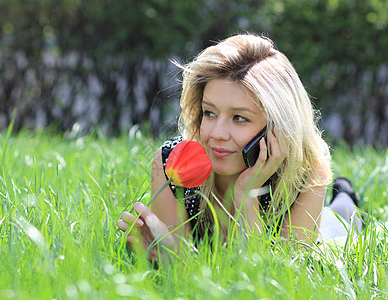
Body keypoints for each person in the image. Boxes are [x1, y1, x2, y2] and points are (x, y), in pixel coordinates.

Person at [117, 33, 363, 261]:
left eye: (239, 118)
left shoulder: (308, 176)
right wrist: (168, 257)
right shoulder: (171, 163)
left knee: (343, 217)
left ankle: (346, 192)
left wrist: (247, 197)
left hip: (328, 231)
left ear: (277, 126)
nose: (217, 134)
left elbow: (278, 282)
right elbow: (184, 271)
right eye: (210, 113)